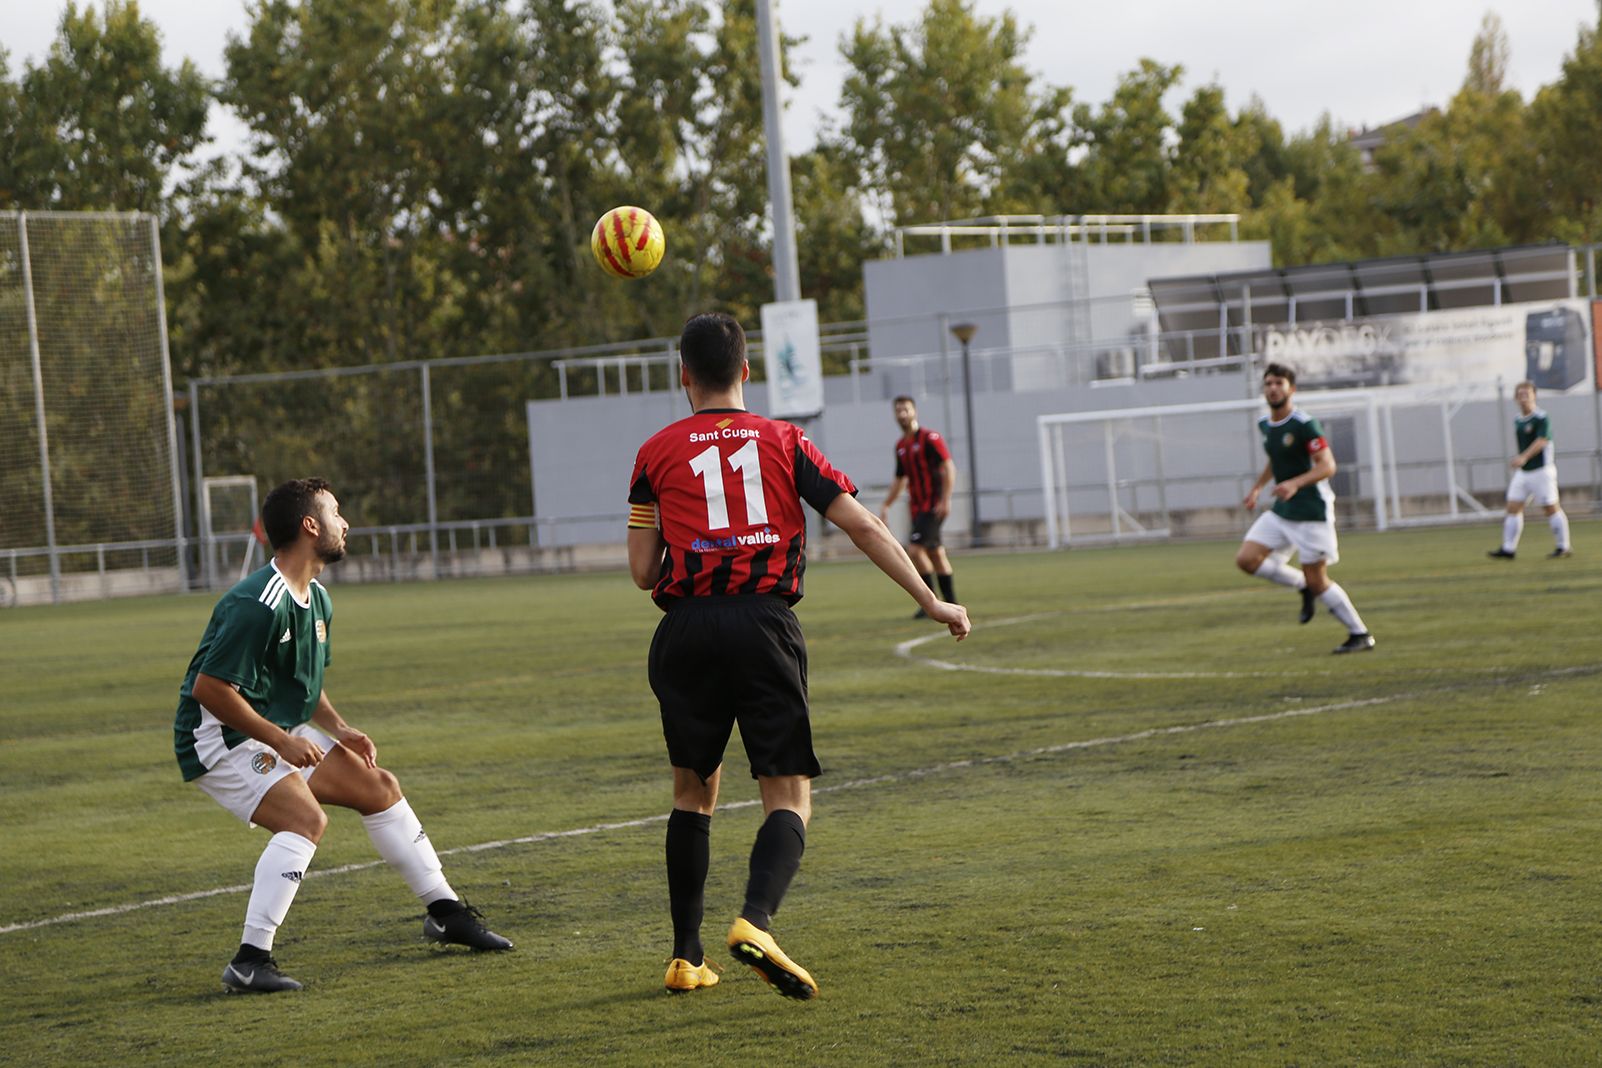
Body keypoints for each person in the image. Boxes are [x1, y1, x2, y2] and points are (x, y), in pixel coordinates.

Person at [627, 313, 970, 1000]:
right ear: (747, 371)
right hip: (763, 624)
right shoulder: (786, 441)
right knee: (787, 794)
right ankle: (755, 921)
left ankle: (685, 957)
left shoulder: (655, 452)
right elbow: (863, 524)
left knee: (692, 794)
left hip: (686, 631)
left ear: (683, 376)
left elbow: (642, 571)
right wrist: (932, 600)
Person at [174, 478, 512, 994]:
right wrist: (282, 742)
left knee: (380, 788)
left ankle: (446, 914)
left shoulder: (319, 600)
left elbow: (305, 685)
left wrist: (339, 727)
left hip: (273, 727)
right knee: (305, 820)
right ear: (310, 526)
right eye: (335, 512)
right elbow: (210, 689)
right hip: (220, 737)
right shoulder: (256, 603)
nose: (345, 522)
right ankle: (249, 961)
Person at [1234, 363, 1376, 654]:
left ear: (1291, 389)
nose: (1273, 388)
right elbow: (1275, 459)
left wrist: (1296, 483)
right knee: (1246, 559)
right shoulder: (1265, 424)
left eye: (1279, 383)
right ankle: (1301, 585)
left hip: (1311, 510)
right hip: (1283, 509)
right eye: (1269, 383)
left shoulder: (1304, 424)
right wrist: (1259, 487)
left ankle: (1360, 633)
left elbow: (1328, 465)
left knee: (1319, 579)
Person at [878, 396, 958, 619]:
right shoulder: (901, 446)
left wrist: (946, 499)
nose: (902, 414)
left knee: (915, 550)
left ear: (914, 411)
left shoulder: (930, 438)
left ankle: (929, 601)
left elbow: (949, 467)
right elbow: (899, 480)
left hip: (932, 506)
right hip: (917, 507)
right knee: (935, 552)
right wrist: (886, 504)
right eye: (898, 411)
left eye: (906, 409)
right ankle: (951, 602)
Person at [1488, 380, 1572, 559]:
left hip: (1542, 471)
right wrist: (1522, 461)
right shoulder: (1518, 419)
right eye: (1520, 394)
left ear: (1534, 395)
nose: (1523, 397)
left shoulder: (1542, 417)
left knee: (1550, 507)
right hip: (1524, 473)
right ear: (1516, 398)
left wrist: (1523, 457)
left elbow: (1542, 441)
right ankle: (1508, 549)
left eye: (1527, 394)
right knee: (1513, 506)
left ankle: (1563, 546)